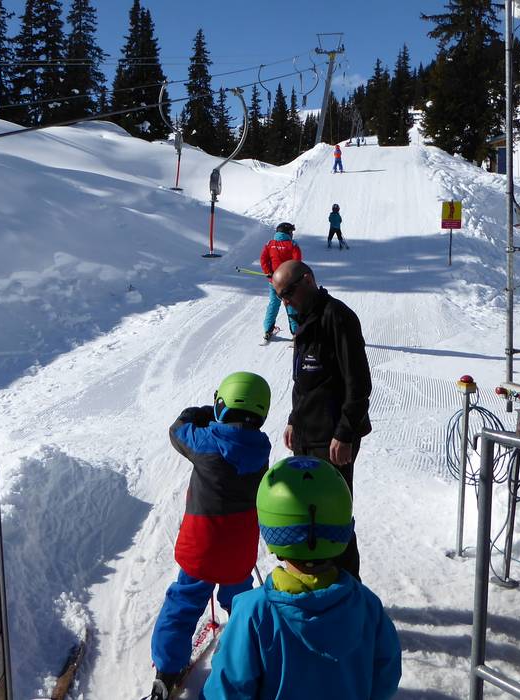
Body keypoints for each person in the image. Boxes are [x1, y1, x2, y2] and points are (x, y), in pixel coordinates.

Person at [201, 456, 401, 699]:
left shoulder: (253, 613)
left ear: (270, 529)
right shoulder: (368, 606)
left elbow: (227, 690)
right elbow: (385, 677)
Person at [148, 372, 273, 700]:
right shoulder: (261, 447)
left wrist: (204, 412)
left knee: (184, 601)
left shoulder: (207, 440)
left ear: (221, 405)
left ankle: (167, 671)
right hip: (238, 548)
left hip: (202, 547)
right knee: (241, 601)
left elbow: (178, 430)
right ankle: (245, 655)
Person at [272, 260, 371, 580]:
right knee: (307, 515)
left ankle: (348, 589)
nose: (285, 302)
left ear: (307, 280)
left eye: (287, 293)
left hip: (332, 440)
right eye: (279, 296)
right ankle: (317, 586)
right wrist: (293, 419)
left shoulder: (338, 318)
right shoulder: (305, 320)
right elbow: (303, 380)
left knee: (334, 518)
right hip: (307, 436)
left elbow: (359, 384)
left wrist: (345, 433)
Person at [259, 222, 302, 342]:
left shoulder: (269, 244)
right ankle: (296, 333)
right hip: (288, 282)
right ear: (287, 232)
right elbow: (297, 262)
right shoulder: (292, 245)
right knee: (292, 305)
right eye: (291, 232)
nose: (292, 234)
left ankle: (268, 330)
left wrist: (268, 272)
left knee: (273, 304)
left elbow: (263, 259)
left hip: (274, 281)